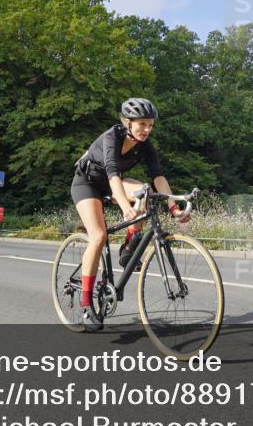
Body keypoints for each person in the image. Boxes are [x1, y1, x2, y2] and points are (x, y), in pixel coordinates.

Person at [70, 98, 190, 330]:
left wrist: (174, 208)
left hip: (112, 183)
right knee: (98, 237)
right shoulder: (111, 138)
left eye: (150, 125)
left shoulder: (145, 144)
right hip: (87, 183)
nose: (147, 130)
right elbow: (113, 174)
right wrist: (126, 208)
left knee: (146, 191)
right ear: (127, 122)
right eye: (142, 124)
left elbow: (158, 177)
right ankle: (86, 304)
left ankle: (128, 249)